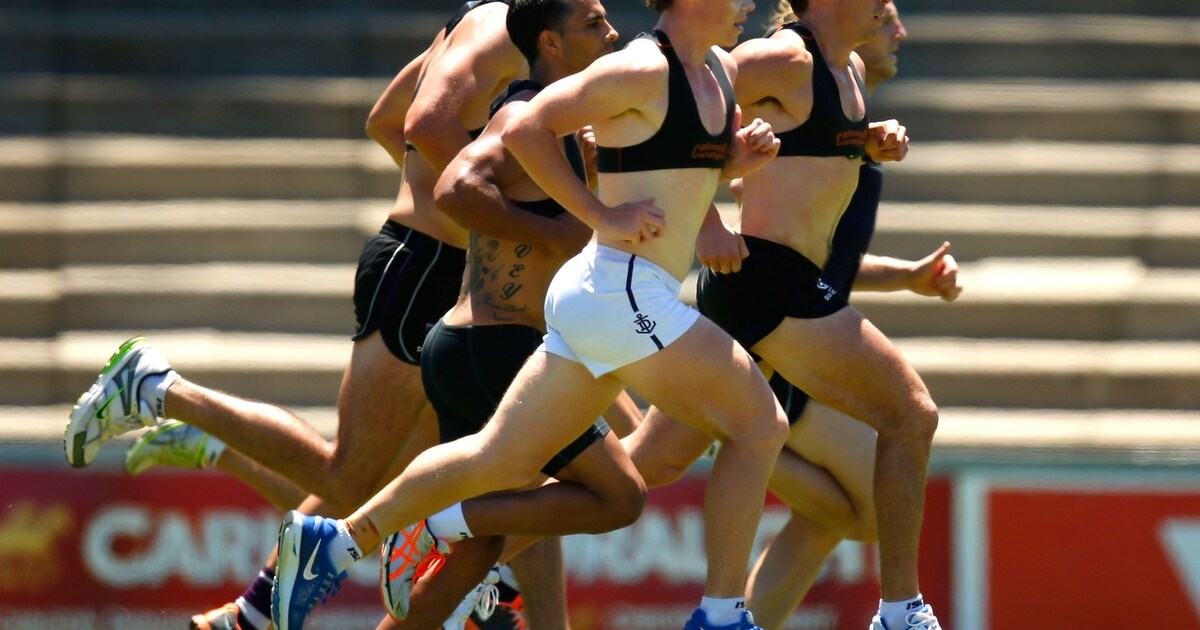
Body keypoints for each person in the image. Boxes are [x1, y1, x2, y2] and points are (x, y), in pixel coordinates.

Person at [269, 0, 787, 629]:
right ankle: (722, 614)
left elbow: (679, 164)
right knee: (760, 424)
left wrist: (738, 159)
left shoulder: (719, 72)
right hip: (620, 292)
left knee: (510, 464)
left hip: (599, 296)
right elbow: (519, 129)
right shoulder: (640, 69)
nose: (749, 6)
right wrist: (599, 218)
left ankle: (346, 538)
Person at [62, 3, 535, 629]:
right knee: (353, 481)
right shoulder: (508, 30)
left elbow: (385, 120)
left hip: (442, 269)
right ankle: (158, 388)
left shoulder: (477, 24)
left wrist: (448, 203)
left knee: (401, 489)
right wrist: (479, 209)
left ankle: (251, 606)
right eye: (594, 16)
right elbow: (420, 123)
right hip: (428, 271)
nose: (606, 23)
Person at [698, 0, 942, 627]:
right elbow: (676, 95)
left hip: (783, 288)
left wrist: (868, 141)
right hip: (765, 282)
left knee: (641, 471)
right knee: (909, 416)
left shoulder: (848, 78)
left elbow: (822, 233)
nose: (899, 25)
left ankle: (470, 540)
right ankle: (901, 613)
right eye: (885, 13)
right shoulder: (782, 58)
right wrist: (706, 222)